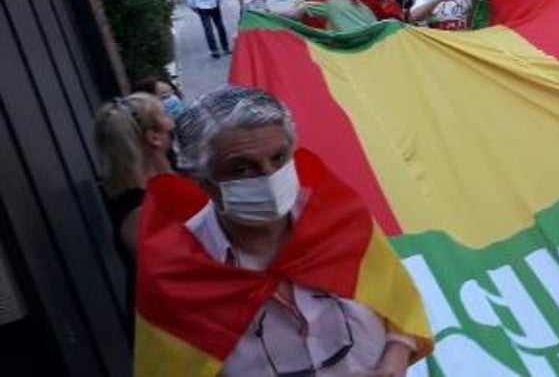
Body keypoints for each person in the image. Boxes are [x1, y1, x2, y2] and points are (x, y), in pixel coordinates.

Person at [139, 87, 432, 373]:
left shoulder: (340, 220)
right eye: (242, 168)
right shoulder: (177, 273)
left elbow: (401, 309)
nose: (268, 176)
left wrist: (393, 362)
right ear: (199, 180)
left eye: (278, 158)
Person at [92, 93, 175, 292]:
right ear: (153, 137)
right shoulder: (141, 213)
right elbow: (177, 282)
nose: (172, 121)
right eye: (164, 114)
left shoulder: (163, 188)